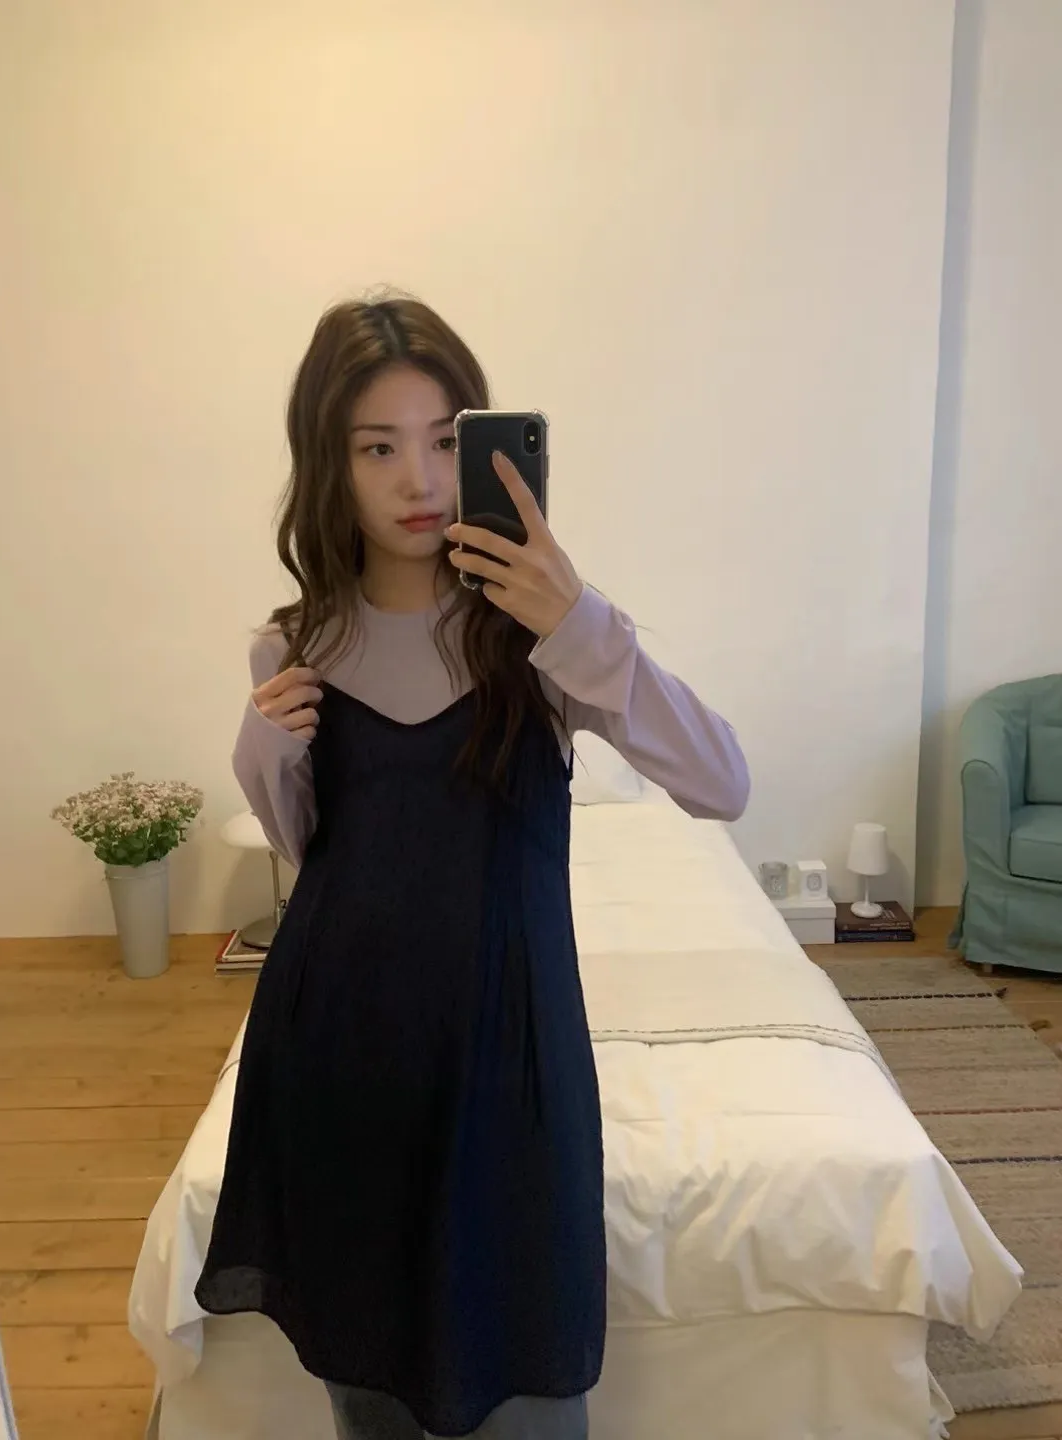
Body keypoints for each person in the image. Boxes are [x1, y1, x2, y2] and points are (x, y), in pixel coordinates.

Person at [194, 296, 750, 1440]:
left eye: (446, 440)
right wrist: (260, 748)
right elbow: (311, 857)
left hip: (510, 1068)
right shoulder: (292, 647)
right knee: (368, 1394)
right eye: (377, 447)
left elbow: (722, 783)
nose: (419, 479)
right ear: (330, 465)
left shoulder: (542, 638)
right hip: (342, 1056)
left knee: (533, 1390)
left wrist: (581, 624)